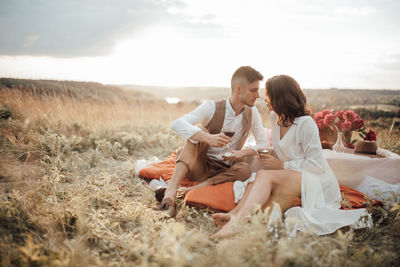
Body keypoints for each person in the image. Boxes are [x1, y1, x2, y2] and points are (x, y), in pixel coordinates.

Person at [211, 75, 371, 238]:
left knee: (264, 176)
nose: (265, 100)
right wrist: (270, 155)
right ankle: (234, 214)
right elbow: (284, 150)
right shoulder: (275, 118)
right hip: (293, 175)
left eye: (268, 95)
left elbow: (317, 165)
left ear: (281, 98)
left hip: (316, 179)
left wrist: (281, 166)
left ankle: (236, 224)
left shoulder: (306, 123)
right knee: (258, 177)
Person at [159, 66, 269, 217]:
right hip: (200, 167)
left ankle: (191, 190)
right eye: (253, 90)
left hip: (224, 171)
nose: (258, 95)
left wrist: (241, 153)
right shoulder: (210, 107)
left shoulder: (252, 112)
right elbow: (177, 123)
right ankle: (170, 194)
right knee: (198, 133)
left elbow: (264, 144)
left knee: (245, 169)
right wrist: (208, 138)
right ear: (238, 89)